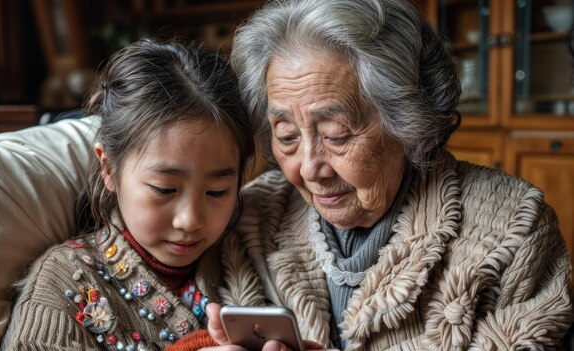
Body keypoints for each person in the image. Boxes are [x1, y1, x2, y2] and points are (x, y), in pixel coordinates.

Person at [194, 0, 573, 350]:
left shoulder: (511, 228)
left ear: (410, 124)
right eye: (287, 137)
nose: (309, 168)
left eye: (336, 135)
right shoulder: (248, 218)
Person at [0, 38, 265, 350]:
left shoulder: (254, 247)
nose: (190, 220)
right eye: (165, 189)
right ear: (109, 168)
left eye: (217, 192)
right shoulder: (62, 284)